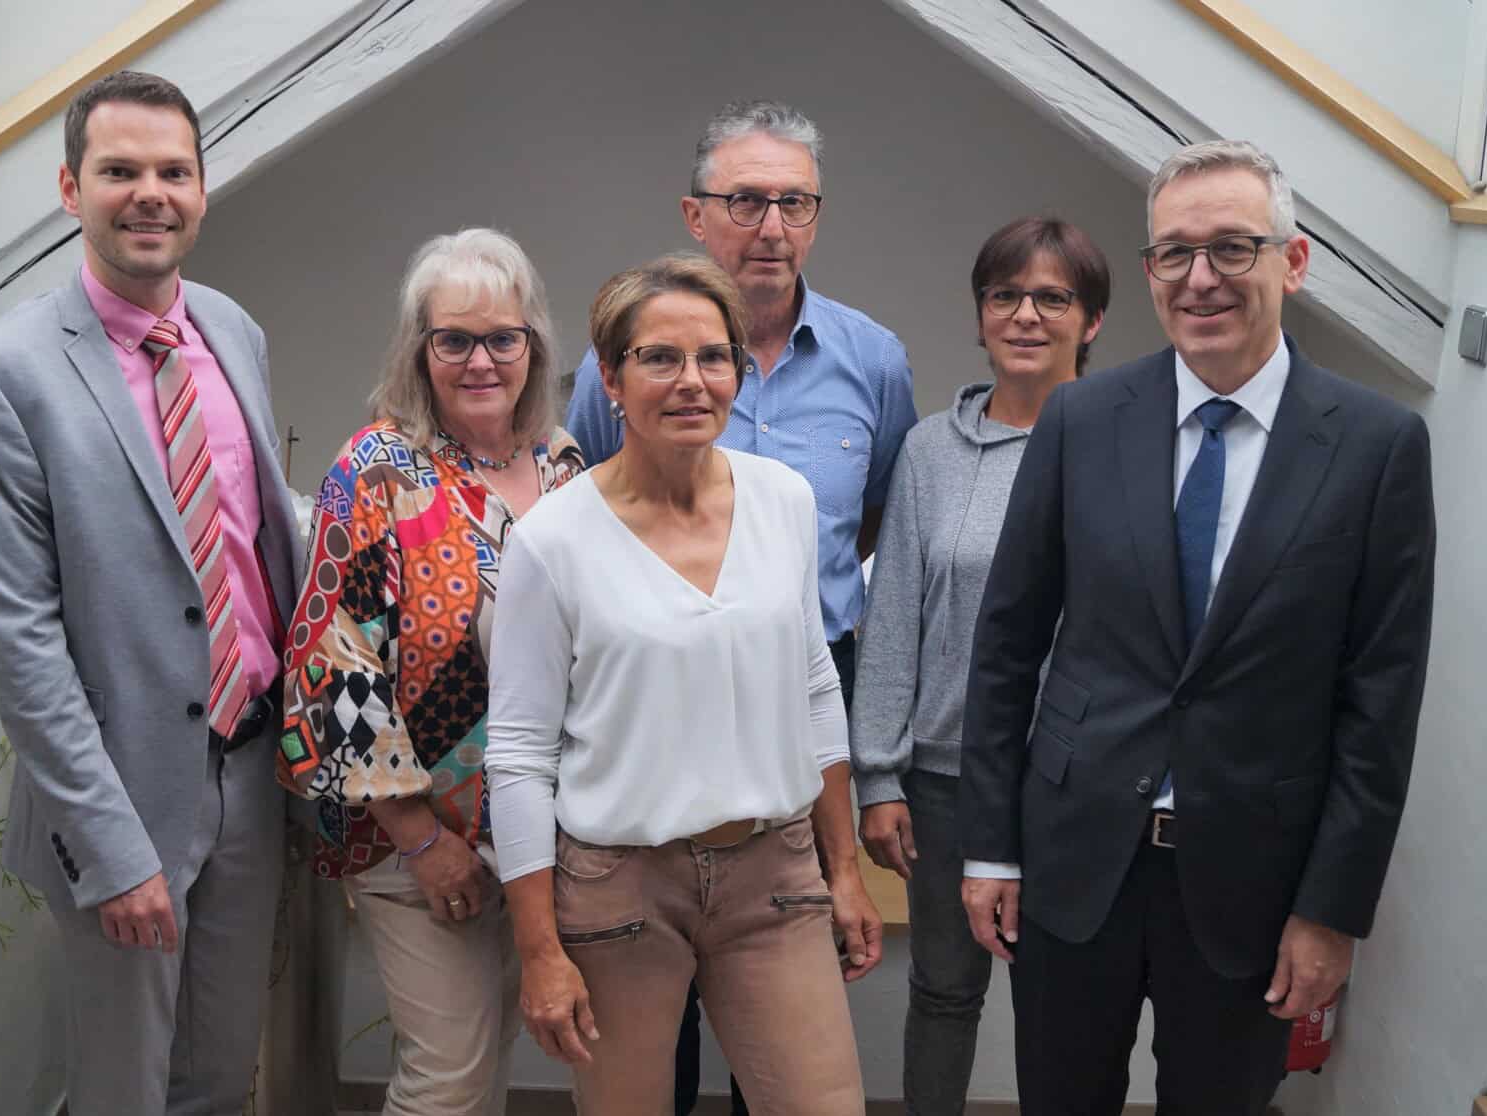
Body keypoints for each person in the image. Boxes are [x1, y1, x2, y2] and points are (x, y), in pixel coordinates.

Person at [960, 140, 1436, 1115]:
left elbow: (1378, 704)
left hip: (1252, 888)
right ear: (1147, 273)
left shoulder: (1377, 447)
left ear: (1291, 264)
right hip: (1074, 860)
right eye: (1174, 253)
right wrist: (991, 849)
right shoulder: (1080, 420)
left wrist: (1329, 910)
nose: (1200, 278)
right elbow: (1007, 645)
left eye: (1232, 247)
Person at [0, 71, 301, 1115]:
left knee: (218, 1076)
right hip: (121, 793)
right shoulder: (1, 375)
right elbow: (20, 637)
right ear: (69, 189)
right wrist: (110, 846)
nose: (150, 192)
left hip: (251, 766)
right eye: (120, 171)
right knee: (122, 1090)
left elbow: (247, 536)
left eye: (172, 171)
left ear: (200, 187)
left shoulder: (231, 330)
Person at [564, 97, 915, 1113]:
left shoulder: (873, 361)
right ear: (694, 212)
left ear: (817, 215)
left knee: (785, 965)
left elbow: (869, 522)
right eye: (745, 200)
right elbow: (592, 506)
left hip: (806, 684)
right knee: (649, 1000)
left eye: (793, 203)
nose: (770, 226)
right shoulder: (625, 356)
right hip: (648, 701)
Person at [486, 254, 880, 1115]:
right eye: (660, 357)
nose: (692, 381)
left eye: (714, 356)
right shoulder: (554, 541)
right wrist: (541, 949)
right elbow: (517, 756)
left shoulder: (785, 499)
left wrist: (842, 868)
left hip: (773, 877)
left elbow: (815, 684)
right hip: (621, 888)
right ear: (611, 379)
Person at [275, 228, 583, 1115]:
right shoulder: (375, 471)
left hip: (543, 836)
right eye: (455, 339)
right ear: (422, 349)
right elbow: (336, 661)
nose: (481, 360)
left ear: (534, 345)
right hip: (420, 845)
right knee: (447, 1078)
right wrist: (419, 837)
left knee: (492, 1064)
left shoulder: (565, 465)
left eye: (503, 337)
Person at [851, 217, 1110, 1113]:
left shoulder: (1120, 448)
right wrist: (879, 777)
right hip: (945, 784)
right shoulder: (931, 450)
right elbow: (894, 623)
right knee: (943, 992)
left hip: (1074, 785)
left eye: (1053, 297)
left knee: (1066, 1005)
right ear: (980, 315)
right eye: (1006, 295)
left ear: (1093, 320)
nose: (1026, 315)